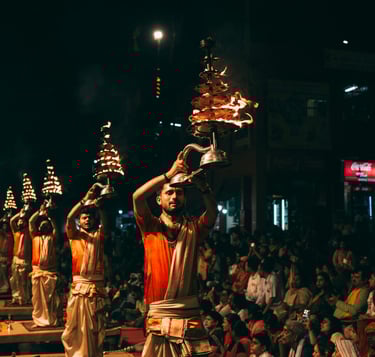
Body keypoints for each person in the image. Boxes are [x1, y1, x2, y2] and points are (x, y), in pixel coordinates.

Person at [132, 152, 218, 356]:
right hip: (159, 312)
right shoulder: (150, 226)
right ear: (159, 199)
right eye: (169, 193)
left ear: (185, 198)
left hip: (187, 312)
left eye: (179, 193)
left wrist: (204, 188)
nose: (174, 197)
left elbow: (212, 214)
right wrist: (169, 174)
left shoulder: (193, 229)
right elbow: (137, 197)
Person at [61, 182, 109, 357]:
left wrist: (101, 206)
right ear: (79, 221)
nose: (87, 219)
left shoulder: (98, 236)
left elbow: (106, 223)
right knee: (75, 327)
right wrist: (85, 200)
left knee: (94, 328)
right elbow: (68, 218)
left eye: (90, 217)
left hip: (95, 289)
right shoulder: (74, 235)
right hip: (79, 289)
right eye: (83, 217)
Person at [29, 200, 62, 327]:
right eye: (42, 225)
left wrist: (50, 217)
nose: (44, 226)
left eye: (46, 225)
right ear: (38, 228)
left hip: (50, 272)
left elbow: (56, 228)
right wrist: (39, 211)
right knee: (37, 299)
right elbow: (31, 221)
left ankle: (51, 320)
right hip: (37, 272)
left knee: (51, 300)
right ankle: (38, 320)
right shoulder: (34, 237)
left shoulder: (52, 238)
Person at [9, 207, 32, 305]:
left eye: (22, 221)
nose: (20, 222)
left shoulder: (29, 232)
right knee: (15, 280)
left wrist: (26, 215)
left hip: (25, 260)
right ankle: (16, 297)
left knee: (24, 281)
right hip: (16, 259)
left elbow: (31, 222)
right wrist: (20, 213)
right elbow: (11, 221)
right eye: (19, 221)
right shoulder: (16, 232)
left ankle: (25, 298)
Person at [0, 216, 12, 294]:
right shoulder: (1, 235)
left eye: (6, 225)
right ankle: (4, 286)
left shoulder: (10, 236)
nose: (4, 227)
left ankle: (8, 286)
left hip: (9, 257)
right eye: (3, 225)